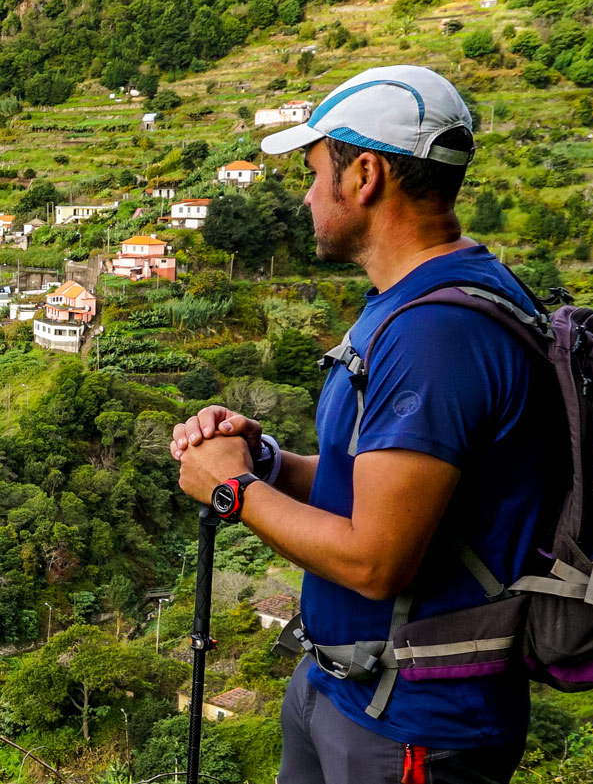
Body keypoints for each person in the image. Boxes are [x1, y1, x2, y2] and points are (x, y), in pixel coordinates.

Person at [171, 66, 554, 783]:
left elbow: (376, 559)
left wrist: (232, 491)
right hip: (345, 690)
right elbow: (380, 485)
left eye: (316, 172)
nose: (308, 194)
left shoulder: (438, 333)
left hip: (410, 726)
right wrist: (267, 461)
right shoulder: (414, 301)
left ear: (367, 174)